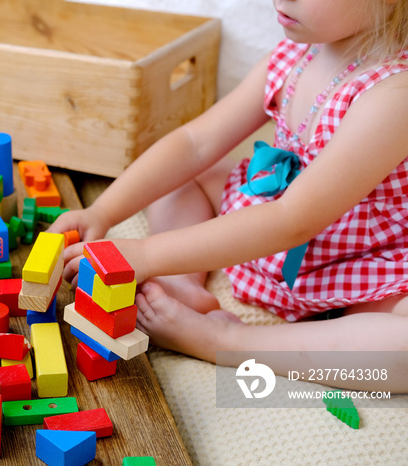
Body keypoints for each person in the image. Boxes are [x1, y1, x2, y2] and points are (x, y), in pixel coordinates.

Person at [48, 0, 408, 390]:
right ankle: (185, 285)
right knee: (185, 173)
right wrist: (102, 211)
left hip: (358, 253)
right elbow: (195, 144)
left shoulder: (395, 93)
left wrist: (148, 254)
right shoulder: (296, 53)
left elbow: (293, 219)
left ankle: (228, 342)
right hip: (272, 211)